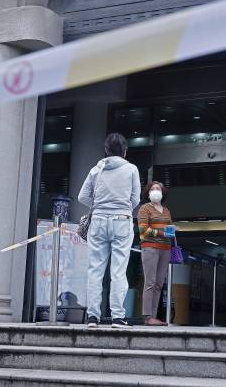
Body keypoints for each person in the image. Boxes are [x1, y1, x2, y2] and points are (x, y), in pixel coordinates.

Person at [78, 133, 141, 329]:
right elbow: (136, 199)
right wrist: (121, 208)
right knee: (118, 270)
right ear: (125, 150)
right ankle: (117, 317)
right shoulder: (131, 169)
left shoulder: (96, 170)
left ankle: (92, 317)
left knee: (95, 269)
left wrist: (98, 207)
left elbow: (82, 197)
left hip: (97, 220)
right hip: (122, 220)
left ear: (106, 150)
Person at [137, 181, 176, 326]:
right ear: (148, 193)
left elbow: (169, 228)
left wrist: (172, 231)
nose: (155, 191)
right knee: (150, 282)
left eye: (157, 189)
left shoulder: (166, 210)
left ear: (162, 192)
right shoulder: (145, 209)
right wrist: (163, 233)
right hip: (150, 248)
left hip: (165, 249)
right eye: (152, 189)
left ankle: (152, 316)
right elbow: (143, 230)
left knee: (159, 283)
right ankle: (148, 316)